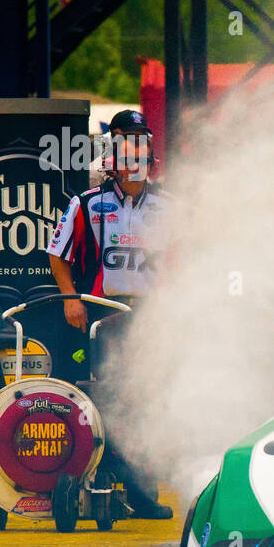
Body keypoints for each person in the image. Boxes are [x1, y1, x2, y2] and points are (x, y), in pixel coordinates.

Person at [47, 109, 172, 519]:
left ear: (151, 162)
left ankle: (140, 492)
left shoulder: (170, 206)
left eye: (140, 155)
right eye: (125, 155)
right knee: (98, 394)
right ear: (113, 162)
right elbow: (57, 254)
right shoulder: (86, 203)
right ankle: (89, 481)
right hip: (100, 316)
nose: (133, 166)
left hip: (151, 317)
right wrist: (70, 299)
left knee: (146, 400)